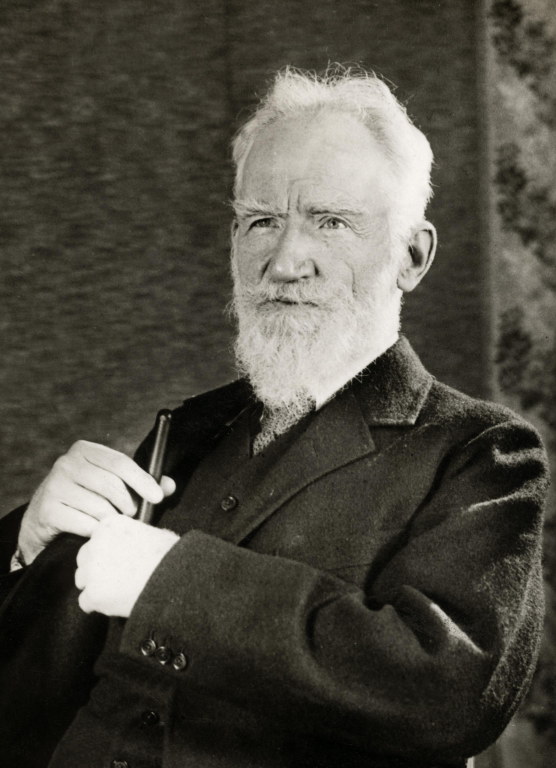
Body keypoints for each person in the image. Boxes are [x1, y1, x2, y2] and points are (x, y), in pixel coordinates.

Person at [0, 66, 548, 768]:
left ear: (412, 256)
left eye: (331, 222)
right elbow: (29, 690)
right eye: (262, 221)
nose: (285, 261)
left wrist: (173, 583)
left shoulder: (480, 451)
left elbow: (451, 691)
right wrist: (27, 544)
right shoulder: (190, 429)